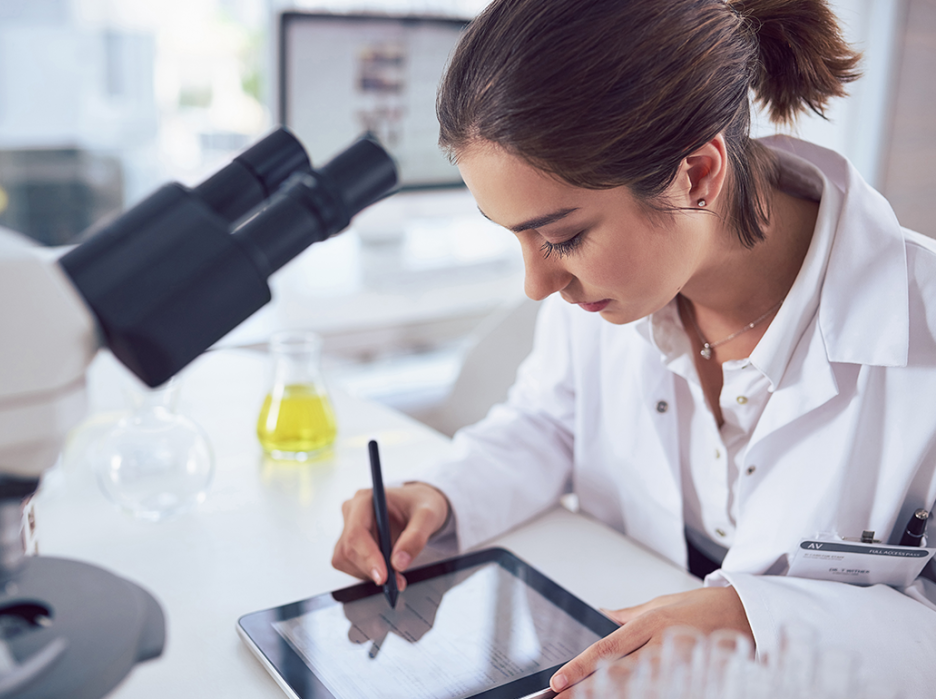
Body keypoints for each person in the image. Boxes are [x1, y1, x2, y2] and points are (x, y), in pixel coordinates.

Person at [333, 0, 936, 694]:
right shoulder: (604, 295)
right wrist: (442, 494)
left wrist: (753, 618)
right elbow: (549, 421)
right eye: (518, 236)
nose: (537, 283)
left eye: (560, 237)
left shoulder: (920, 328)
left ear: (697, 176)